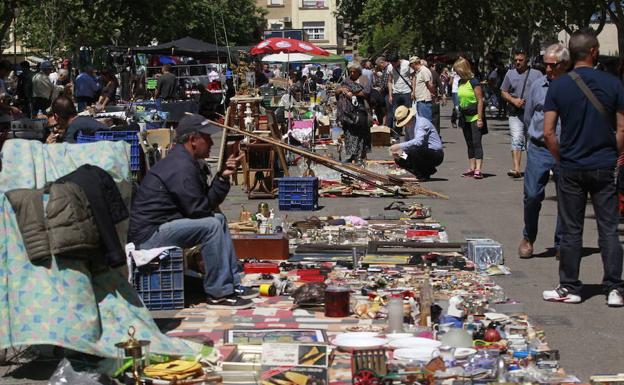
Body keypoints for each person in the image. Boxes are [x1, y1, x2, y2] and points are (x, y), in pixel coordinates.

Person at [128, 114, 256, 309]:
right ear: (193, 140)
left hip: (164, 225)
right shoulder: (181, 166)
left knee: (218, 219)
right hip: (149, 235)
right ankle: (219, 293)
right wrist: (219, 182)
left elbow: (203, 205)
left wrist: (222, 177)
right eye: (207, 137)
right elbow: (199, 211)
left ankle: (232, 284)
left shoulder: (187, 162)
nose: (212, 142)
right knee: (212, 225)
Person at [542, 30, 624, 306]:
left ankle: (570, 286)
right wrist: (614, 154)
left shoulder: (558, 87)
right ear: (593, 52)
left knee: (571, 228)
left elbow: (549, 132)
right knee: (609, 228)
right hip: (603, 165)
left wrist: (561, 158)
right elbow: (622, 128)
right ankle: (614, 288)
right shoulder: (613, 84)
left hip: (571, 166)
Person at [518, 43, 569, 260]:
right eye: (545, 65)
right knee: (532, 195)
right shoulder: (538, 86)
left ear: (565, 64)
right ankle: (528, 237)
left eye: (552, 65)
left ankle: (561, 243)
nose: (547, 69)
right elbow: (529, 116)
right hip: (540, 147)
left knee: (566, 198)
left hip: (566, 150)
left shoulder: (573, 87)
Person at [501, 48, 543, 178]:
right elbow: (503, 91)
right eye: (516, 60)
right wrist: (514, 100)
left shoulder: (537, 74)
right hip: (516, 113)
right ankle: (516, 169)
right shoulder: (510, 74)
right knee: (517, 138)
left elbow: (544, 90)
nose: (517, 62)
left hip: (532, 114)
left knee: (532, 141)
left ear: (527, 60)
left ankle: (533, 168)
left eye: (521, 60)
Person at [390, 105, 443, 180]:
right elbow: (408, 142)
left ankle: (423, 174)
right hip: (422, 152)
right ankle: (423, 170)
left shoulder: (421, 123)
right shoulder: (408, 126)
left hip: (435, 153)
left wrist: (399, 146)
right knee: (400, 157)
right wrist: (400, 152)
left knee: (414, 150)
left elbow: (418, 142)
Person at [454, 57, 486, 179]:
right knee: (469, 143)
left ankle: (478, 169)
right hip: (464, 116)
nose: (457, 73)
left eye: (458, 71)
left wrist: (479, 118)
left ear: (463, 69)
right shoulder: (460, 82)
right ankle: (471, 167)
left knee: (476, 142)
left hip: (474, 116)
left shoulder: (474, 82)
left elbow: (480, 100)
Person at [336, 62, 370, 164]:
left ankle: (360, 156)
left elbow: (366, 92)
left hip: (359, 111)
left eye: (353, 72)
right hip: (347, 113)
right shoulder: (346, 80)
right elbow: (337, 91)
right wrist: (341, 90)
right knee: (349, 134)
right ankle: (352, 155)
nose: (351, 73)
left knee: (360, 134)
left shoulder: (364, 79)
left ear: (358, 72)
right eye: (350, 71)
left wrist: (352, 93)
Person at [387, 54, 413, 140]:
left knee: (408, 113)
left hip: (407, 92)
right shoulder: (390, 67)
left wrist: (413, 91)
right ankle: (397, 133)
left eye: (394, 63)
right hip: (396, 93)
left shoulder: (407, 64)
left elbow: (413, 78)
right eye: (391, 63)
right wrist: (390, 95)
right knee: (397, 114)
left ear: (398, 60)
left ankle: (409, 133)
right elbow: (390, 81)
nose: (393, 65)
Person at [409, 56, 435, 123]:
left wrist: (433, 94)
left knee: (426, 121)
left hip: (424, 100)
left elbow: (429, 84)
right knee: (422, 121)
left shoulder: (424, 70)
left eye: (411, 64)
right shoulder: (418, 72)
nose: (410, 66)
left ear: (414, 63)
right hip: (420, 100)